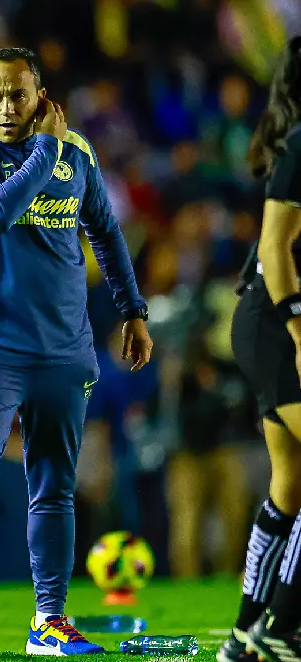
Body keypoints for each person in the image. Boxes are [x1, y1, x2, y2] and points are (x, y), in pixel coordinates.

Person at [0, 48, 152, 656]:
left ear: (39, 95)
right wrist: (43, 151)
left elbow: (104, 229)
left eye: (16, 96)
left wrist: (133, 310)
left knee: (54, 487)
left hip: (64, 351)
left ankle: (49, 621)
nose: (4, 107)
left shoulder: (78, 153)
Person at [223, 36, 301, 662]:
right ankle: (282, 627)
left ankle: (246, 633)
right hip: (275, 322)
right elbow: (276, 249)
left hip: (271, 319)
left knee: (291, 484)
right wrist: (300, 333)